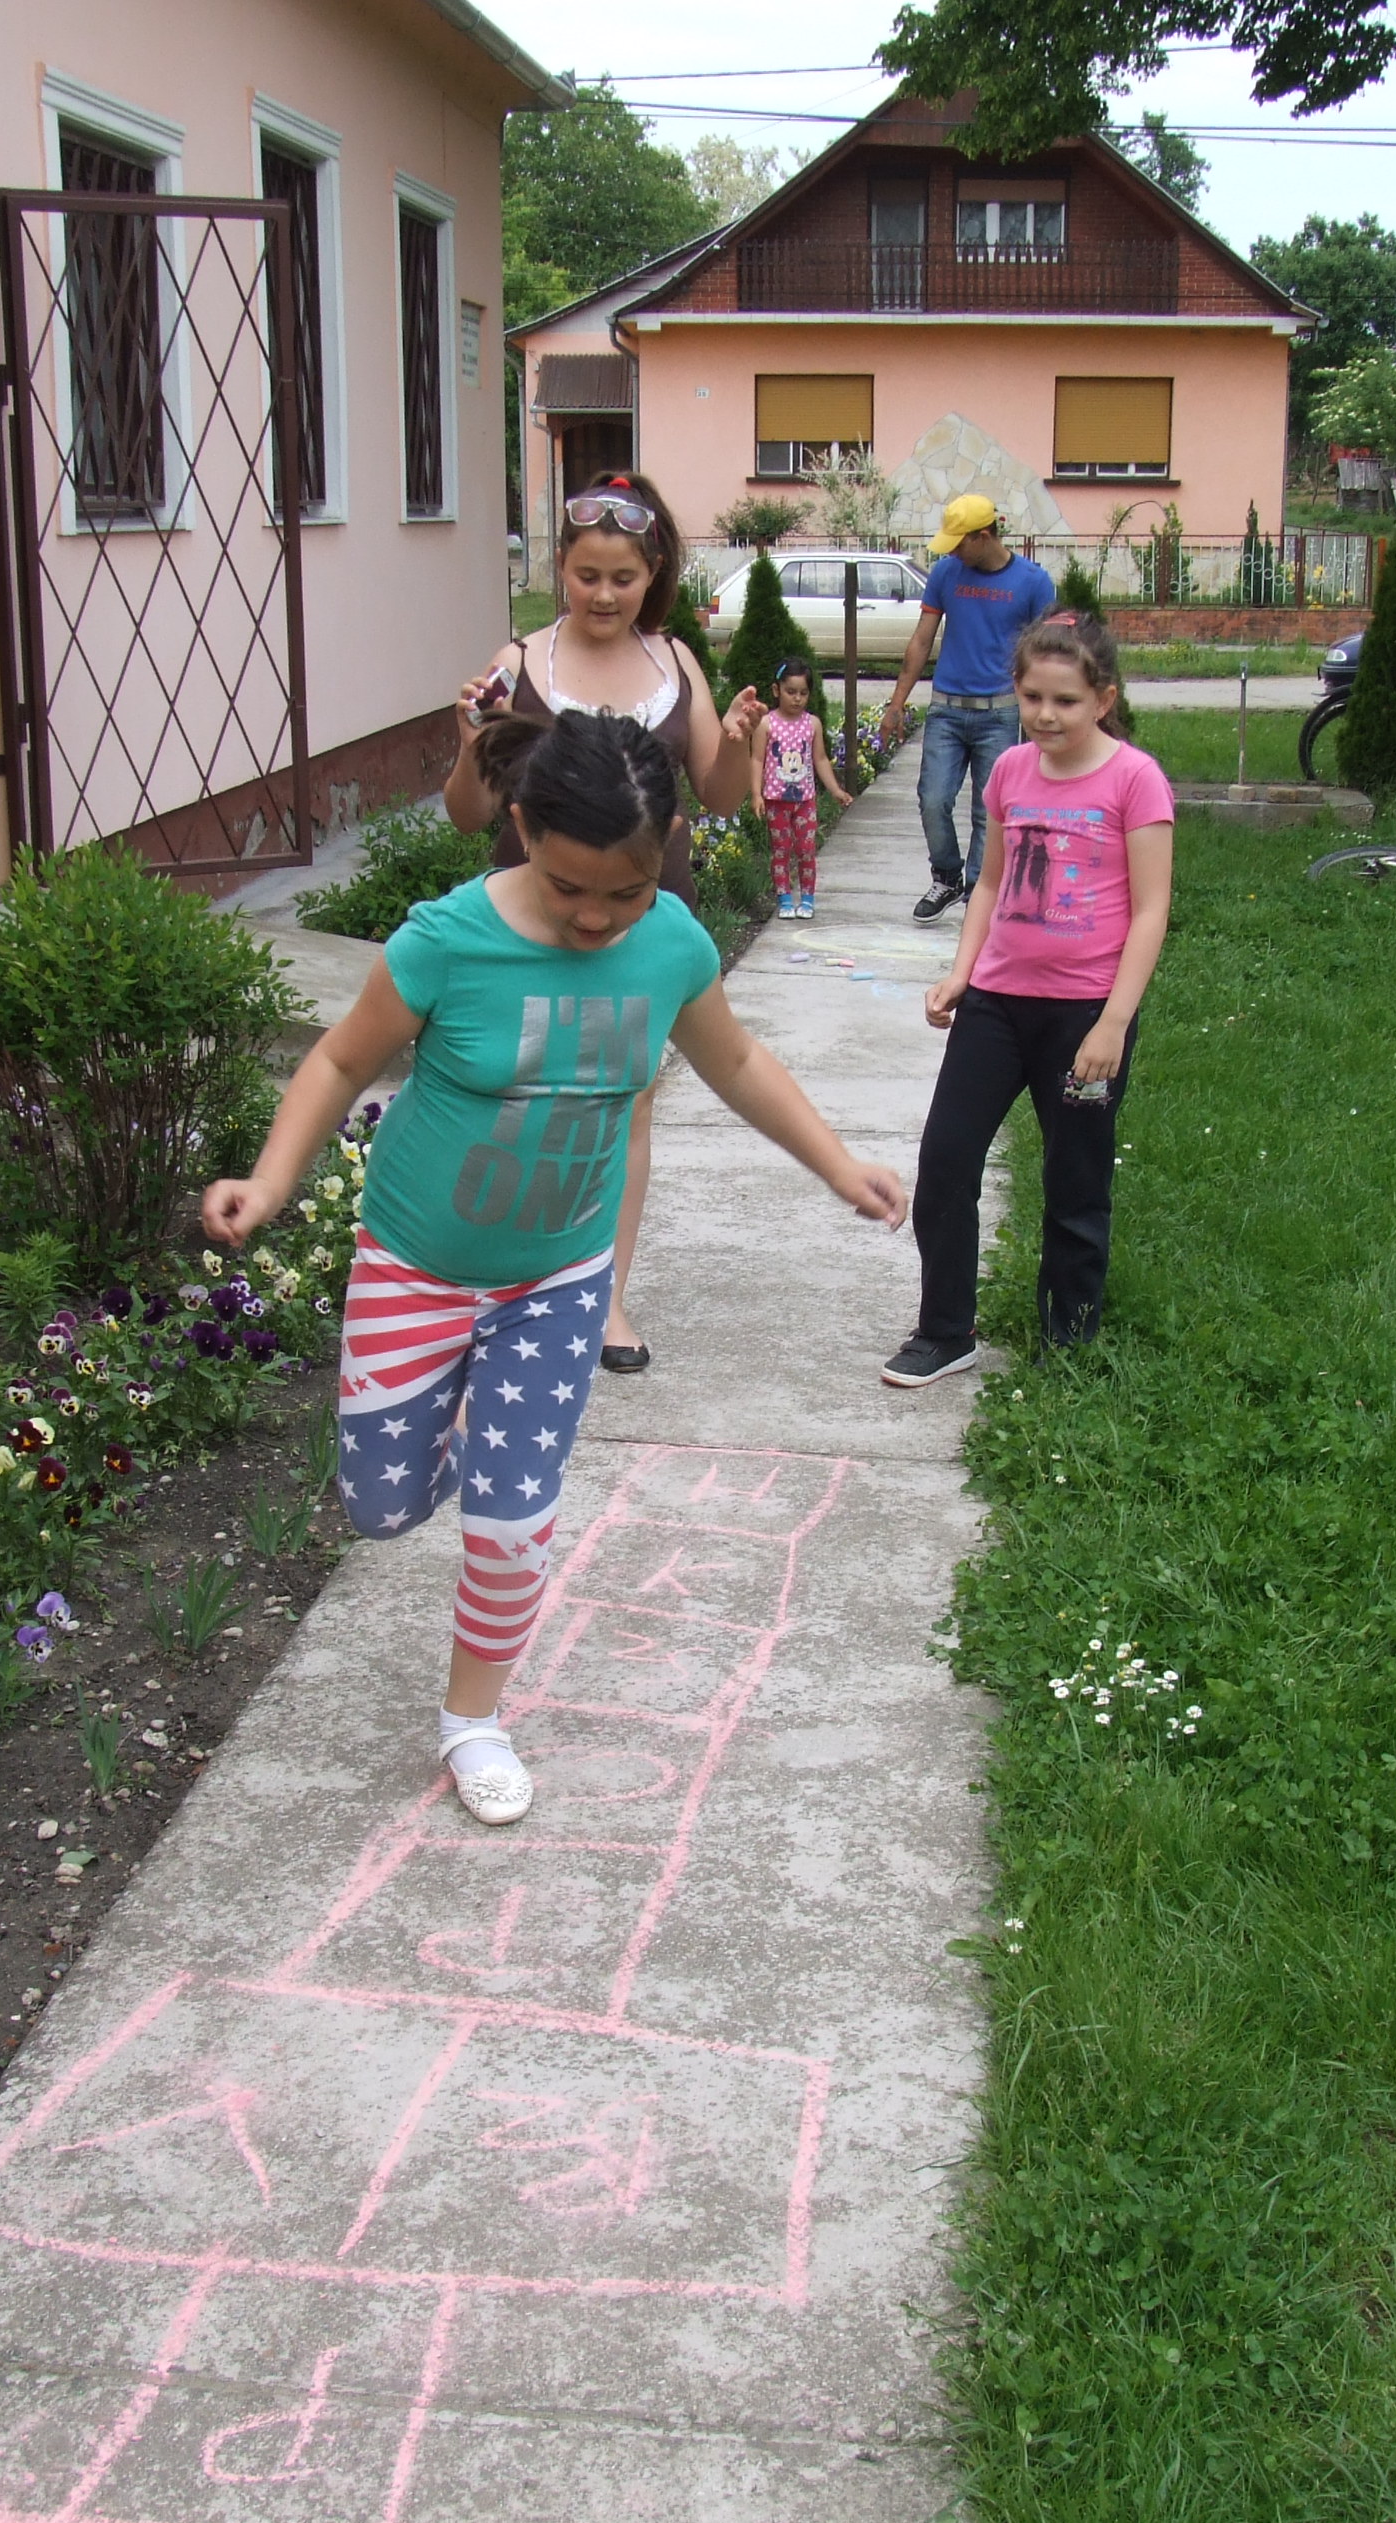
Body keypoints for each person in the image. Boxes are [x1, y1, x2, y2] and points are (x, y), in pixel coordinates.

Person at [207, 708, 907, 1825]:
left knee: (512, 1519)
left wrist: (836, 1164)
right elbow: (339, 1060)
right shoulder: (445, 941)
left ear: (663, 856)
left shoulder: (671, 943)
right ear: (526, 829)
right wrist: (271, 1178)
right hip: (417, 1265)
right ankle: (450, 1431)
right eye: (571, 886)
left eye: (625, 893)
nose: (595, 917)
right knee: (380, 1507)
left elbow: (734, 1060)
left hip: (559, 1280)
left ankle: (472, 1721)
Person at [446, 470, 762, 1375]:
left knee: (625, 1106)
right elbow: (468, 815)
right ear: (563, 568)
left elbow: (718, 796)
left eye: (623, 578)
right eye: (587, 575)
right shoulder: (518, 665)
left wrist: (738, 743)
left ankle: (604, 1299)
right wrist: (471, 744)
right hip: (527, 927)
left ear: (652, 573)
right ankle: (497, 1286)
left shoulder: (676, 662)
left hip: (642, 923)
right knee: (513, 1101)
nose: (605, 595)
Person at [884, 612, 1171, 1388]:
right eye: (1033, 696)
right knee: (946, 1161)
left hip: (1085, 1016)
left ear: (1104, 699)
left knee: (1076, 1178)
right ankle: (946, 1330)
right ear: (1015, 690)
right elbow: (989, 883)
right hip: (997, 1004)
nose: (1046, 714)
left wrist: (1113, 1023)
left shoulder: (1135, 779)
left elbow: (1151, 910)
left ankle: (1069, 1338)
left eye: (1066, 701)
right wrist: (962, 972)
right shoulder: (1010, 771)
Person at [880, 494, 1057, 925]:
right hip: (946, 709)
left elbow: (1049, 655)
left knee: (988, 809)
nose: (954, 552)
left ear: (983, 536)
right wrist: (897, 702)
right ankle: (946, 876)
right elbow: (922, 640)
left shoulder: (1034, 583)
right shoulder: (946, 573)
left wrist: (1042, 715)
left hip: (1000, 713)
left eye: (960, 543)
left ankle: (978, 889)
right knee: (933, 799)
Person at [748, 657, 847, 920]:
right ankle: (784, 899)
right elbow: (757, 759)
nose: (797, 699)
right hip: (776, 800)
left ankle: (807, 898)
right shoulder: (766, 724)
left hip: (805, 800)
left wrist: (835, 790)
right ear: (776, 690)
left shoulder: (812, 724)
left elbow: (820, 759)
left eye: (803, 693)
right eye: (791, 692)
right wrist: (756, 794)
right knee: (781, 850)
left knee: (806, 849)